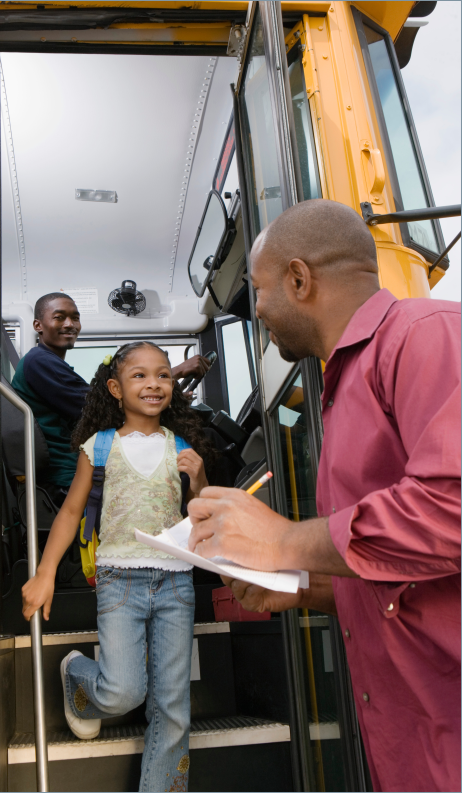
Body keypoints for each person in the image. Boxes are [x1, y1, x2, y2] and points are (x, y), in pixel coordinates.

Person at [187, 199, 461, 793]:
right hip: (410, 738)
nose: (258, 312)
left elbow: (452, 511)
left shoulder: (428, 335)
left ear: (298, 279)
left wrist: (285, 538)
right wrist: (299, 584)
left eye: (257, 292)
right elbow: (402, 573)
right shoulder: (338, 393)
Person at [21, 341, 216, 792]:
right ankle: (77, 675)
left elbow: (202, 512)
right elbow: (70, 512)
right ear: (115, 387)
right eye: (140, 376)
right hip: (119, 580)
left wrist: (199, 478)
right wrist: (45, 572)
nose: (153, 384)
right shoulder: (100, 446)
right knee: (122, 691)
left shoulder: (182, 446)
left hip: (176, 583)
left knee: (172, 706)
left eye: (163, 375)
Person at [12, 292, 211, 503]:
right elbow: (101, 405)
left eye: (75, 318)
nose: (70, 324)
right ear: (38, 325)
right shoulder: (39, 361)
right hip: (63, 473)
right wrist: (174, 372)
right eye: (59, 317)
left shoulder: (48, 362)